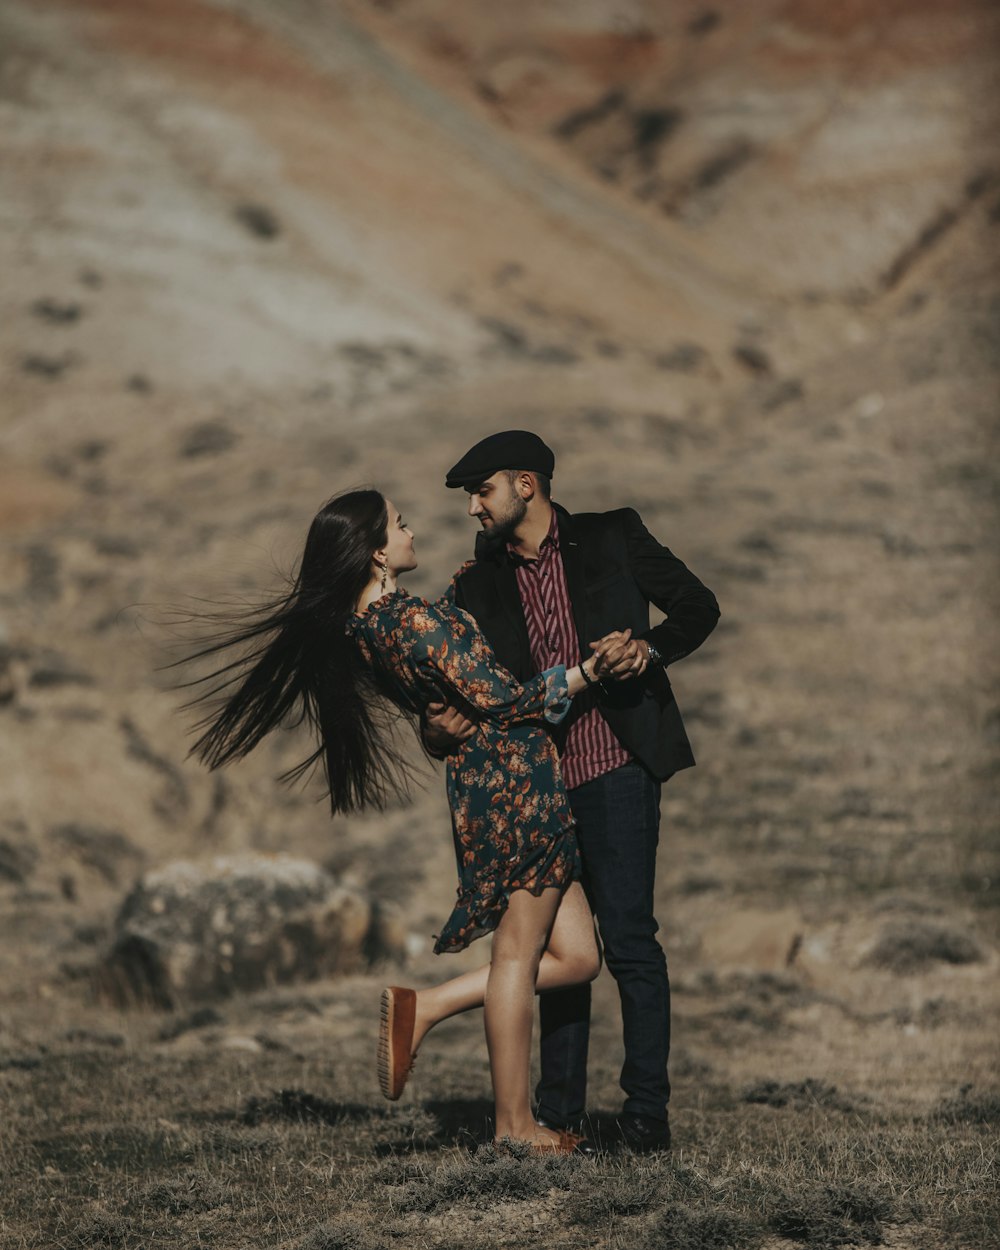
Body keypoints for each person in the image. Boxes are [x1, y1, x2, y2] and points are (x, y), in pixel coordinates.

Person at [184, 487, 622, 1154]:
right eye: (401, 523)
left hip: (497, 785)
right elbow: (503, 701)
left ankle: (430, 1005)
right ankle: (514, 1127)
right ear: (379, 553)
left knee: (579, 956)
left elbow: (455, 703)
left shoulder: (370, 632)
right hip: (515, 789)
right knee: (517, 955)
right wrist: (589, 672)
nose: (413, 530)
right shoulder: (408, 623)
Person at [424, 431, 720, 1153]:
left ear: (526, 484)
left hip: (616, 769)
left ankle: (646, 1120)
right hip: (536, 793)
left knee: (630, 945)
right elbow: (443, 711)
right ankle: (558, 1120)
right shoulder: (472, 586)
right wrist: (438, 723)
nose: (472, 507)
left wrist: (648, 648)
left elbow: (697, 606)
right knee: (563, 958)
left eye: (481, 490)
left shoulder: (614, 534)